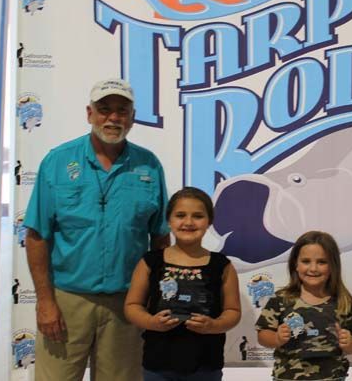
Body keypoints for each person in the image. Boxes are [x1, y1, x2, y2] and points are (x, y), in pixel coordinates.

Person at [23, 78, 170, 380]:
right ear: (89, 114)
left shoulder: (149, 165)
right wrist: (45, 301)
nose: (113, 118)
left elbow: (160, 238)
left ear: (132, 117)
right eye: (104, 110)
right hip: (66, 301)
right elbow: (37, 235)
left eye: (122, 111)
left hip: (126, 305)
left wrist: (153, 296)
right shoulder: (57, 162)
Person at [125, 187, 242, 380]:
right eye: (180, 215)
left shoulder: (222, 265)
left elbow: (233, 312)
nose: (188, 222)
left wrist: (213, 325)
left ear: (209, 221)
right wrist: (151, 322)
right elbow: (132, 306)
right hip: (158, 364)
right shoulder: (150, 261)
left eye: (197, 216)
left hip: (206, 365)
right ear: (169, 220)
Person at [256, 231, 352, 381]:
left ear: (333, 265)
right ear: (296, 264)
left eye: (322, 262)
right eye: (306, 261)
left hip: (333, 377)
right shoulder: (280, 299)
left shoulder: (344, 301)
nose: (313, 268)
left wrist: (350, 343)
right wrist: (276, 338)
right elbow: (262, 335)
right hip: (287, 377)